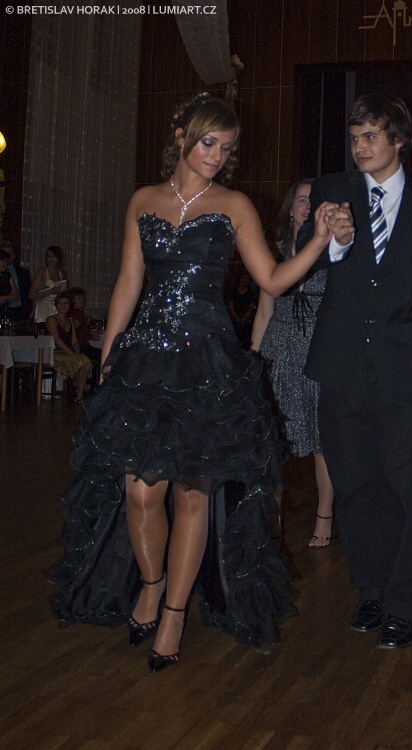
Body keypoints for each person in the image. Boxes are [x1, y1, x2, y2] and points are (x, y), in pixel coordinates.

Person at [47, 92, 333, 673]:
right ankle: (151, 583)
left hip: (207, 364)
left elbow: (273, 280)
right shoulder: (143, 200)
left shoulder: (234, 204)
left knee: (193, 493)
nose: (217, 155)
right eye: (208, 142)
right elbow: (129, 281)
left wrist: (320, 240)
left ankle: (174, 613)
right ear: (180, 136)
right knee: (140, 491)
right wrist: (109, 354)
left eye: (226, 147)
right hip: (146, 362)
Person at [297, 93, 412, 649]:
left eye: (371, 136)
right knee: (354, 486)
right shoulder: (332, 191)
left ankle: (404, 601)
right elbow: (305, 259)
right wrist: (333, 242)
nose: (360, 147)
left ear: (398, 140)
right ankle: (371, 590)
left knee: (405, 488)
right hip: (341, 364)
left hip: (404, 369)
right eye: (355, 137)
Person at [251, 179, 334, 547]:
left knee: (322, 440)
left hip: (319, 350)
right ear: (290, 209)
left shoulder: (334, 250)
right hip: (279, 349)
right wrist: (255, 359)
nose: (307, 205)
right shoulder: (273, 252)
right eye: (301, 200)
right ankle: (273, 523)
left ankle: (324, 517)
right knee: (273, 441)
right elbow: (264, 309)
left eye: (314, 200)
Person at [46, 291, 93, 403]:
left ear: (69, 306)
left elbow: (74, 341)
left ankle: (79, 393)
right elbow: (56, 340)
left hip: (66, 352)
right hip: (53, 352)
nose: (62, 306)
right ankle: (79, 386)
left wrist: (77, 353)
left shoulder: (71, 321)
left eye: (65, 303)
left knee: (84, 360)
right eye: (60, 303)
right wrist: (72, 354)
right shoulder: (51, 319)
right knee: (75, 361)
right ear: (56, 305)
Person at [29, 245, 67, 329]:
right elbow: (31, 295)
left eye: (54, 256)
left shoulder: (62, 273)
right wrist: (51, 291)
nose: (51, 259)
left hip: (57, 307)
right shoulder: (42, 272)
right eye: (49, 256)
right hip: (44, 306)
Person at [67, 287, 102, 364]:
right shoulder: (74, 313)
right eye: (79, 298)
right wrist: (91, 336)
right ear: (72, 300)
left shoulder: (79, 312)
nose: (82, 300)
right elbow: (81, 332)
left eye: (83, 297)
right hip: (80, 347)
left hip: (83, 345)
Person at [1, 240, 32, 322]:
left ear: (14, 255)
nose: (7, 256)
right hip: (3, 310)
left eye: (9, 254)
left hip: (20, 311)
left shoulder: (23, 272)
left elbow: (25, 293)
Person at [0, 248, 19, 319]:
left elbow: (16, 295)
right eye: (3, 262)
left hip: (5, 310)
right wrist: (8, 297)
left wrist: (5, 298)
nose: (6, 264)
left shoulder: (7, 275)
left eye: (6, 262)